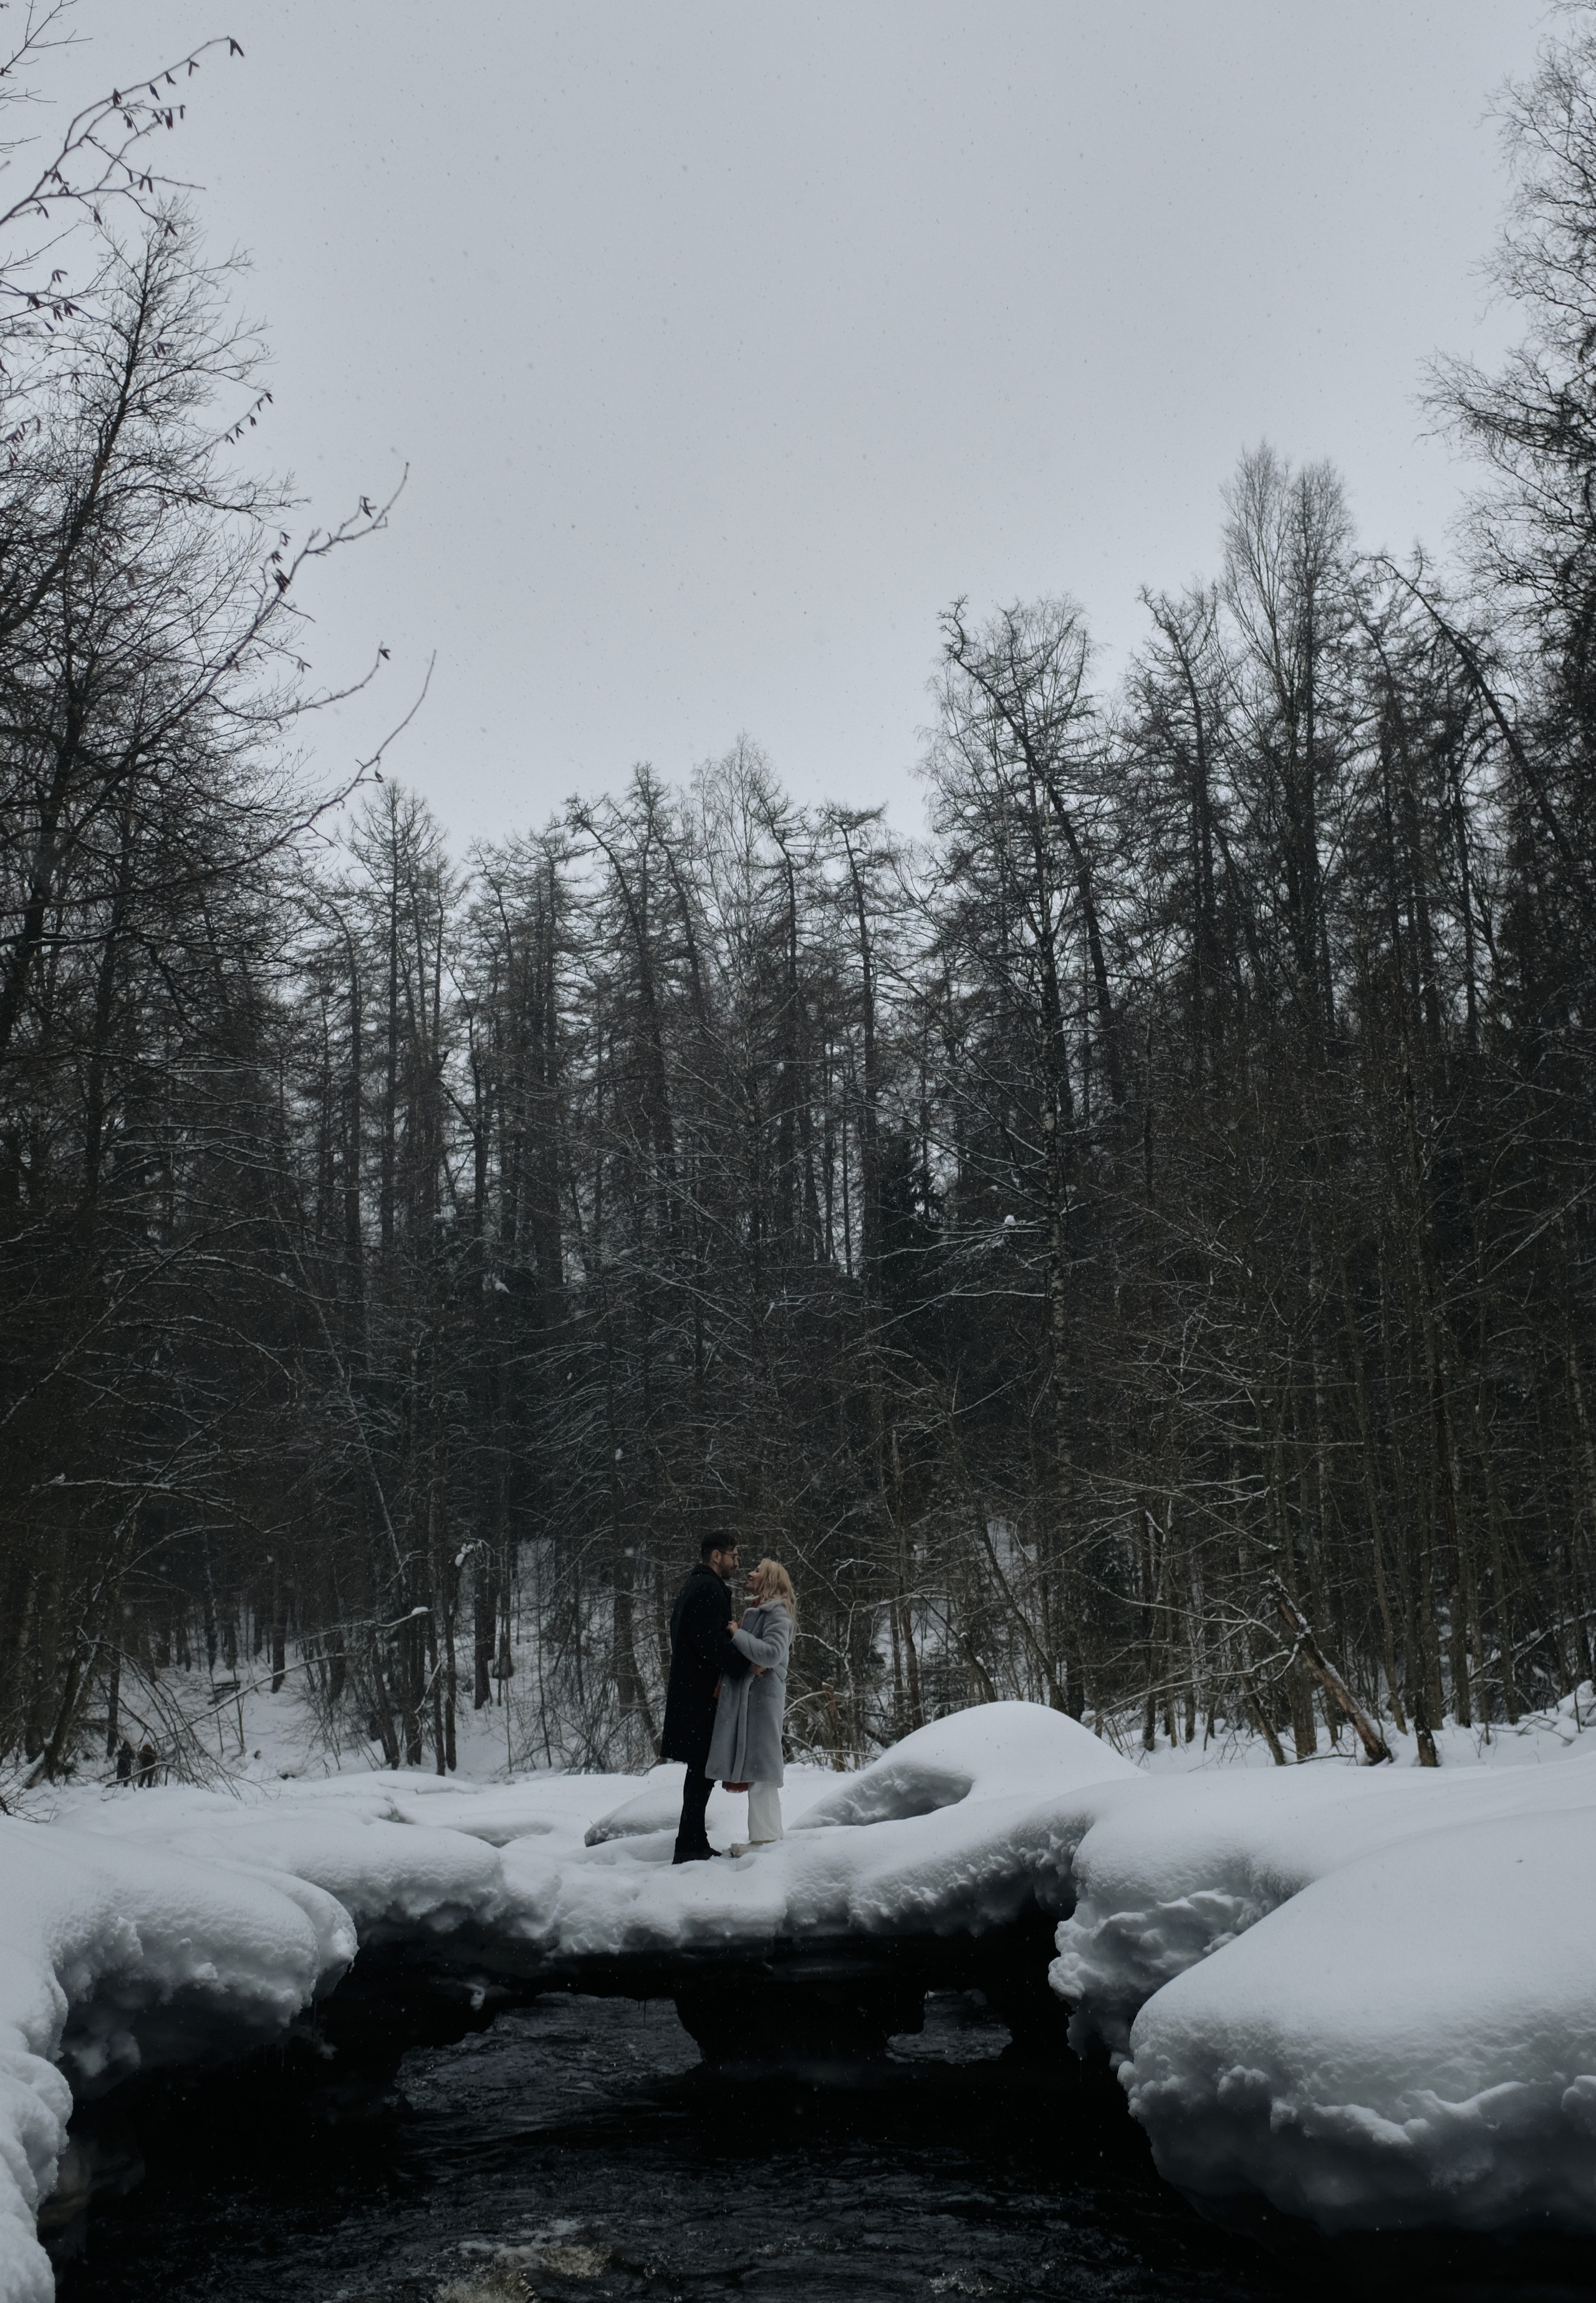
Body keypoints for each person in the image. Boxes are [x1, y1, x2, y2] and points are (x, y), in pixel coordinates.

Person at [660, 1532, 750, 1863]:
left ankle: (693, 1841)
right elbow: (709, 1641)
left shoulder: (694, 1586)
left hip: (691, 1693)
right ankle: (688, 1847)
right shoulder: (707, 1589)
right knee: (702, 1772)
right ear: (716, 1556)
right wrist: (744, 1665)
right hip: (699, 1696)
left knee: (701, 1772)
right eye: (733, 1555)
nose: (737, 1563)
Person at [706, 1557, 796, 1853]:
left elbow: (770, 1654)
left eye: (758, 1571)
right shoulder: (761, 1612)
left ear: (770, 1579)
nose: (750, 1573)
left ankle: (766, 1841)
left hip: (763, 1701)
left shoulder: (778, 1614)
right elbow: (752, 1656)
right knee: (758, 1770)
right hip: (753, 1702)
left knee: (762, 1771)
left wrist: (737, 1633)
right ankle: (766, 1837)